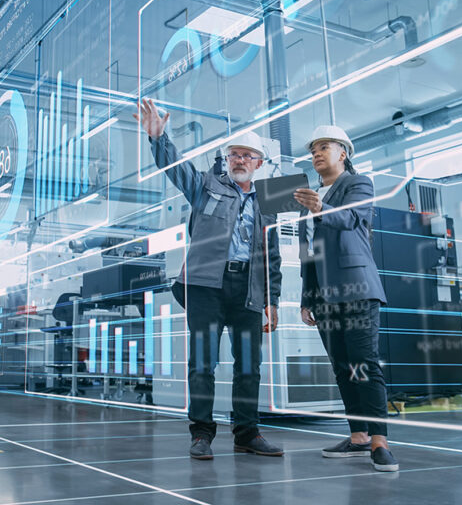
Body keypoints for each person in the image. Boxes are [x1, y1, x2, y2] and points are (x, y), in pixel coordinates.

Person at [134, 98, 283, 461]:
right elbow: (175, 168)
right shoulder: (205, 185)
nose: (240, 161)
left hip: (248, 289)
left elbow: (272, 256)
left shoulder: (268, 201)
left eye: (248, 156)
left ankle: (247, 433)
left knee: (249, 365)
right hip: (205, 288)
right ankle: (201, 433)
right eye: (235, 155)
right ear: (227, 160)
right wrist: (159, 138)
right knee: (202, 363)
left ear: (259, 164)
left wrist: (272, 300)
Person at [292, 125, 398, 472]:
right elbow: (308, 253)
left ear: (344, 153)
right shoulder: (306, 198)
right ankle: (358, 436)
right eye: (313, 150)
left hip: (356, 288)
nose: (317, 154)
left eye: (324, 146)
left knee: (363, 363)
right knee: (342, 367)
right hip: (324, 296)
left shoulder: (358, 184)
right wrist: (307, 298)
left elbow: (353, 219)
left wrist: (320, 205)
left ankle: (379, 441)